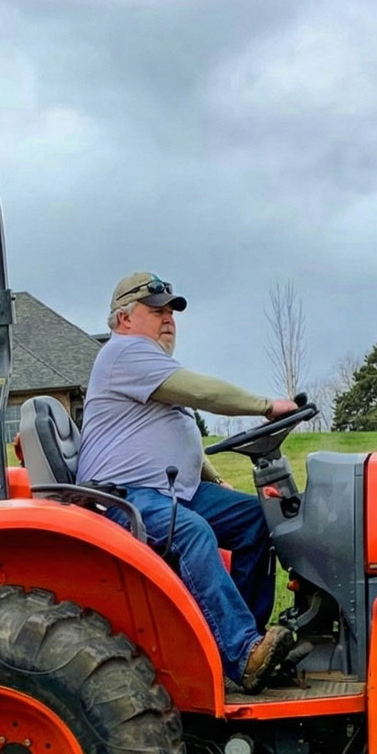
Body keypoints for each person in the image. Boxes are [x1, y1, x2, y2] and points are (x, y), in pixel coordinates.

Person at [77, 272, 299, 690]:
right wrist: (265, 406)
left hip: (173, 492)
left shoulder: (150, 366)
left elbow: (176, 434)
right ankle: (242, 652)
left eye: (171, 312)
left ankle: (252, 645)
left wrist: (215, 479)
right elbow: (201, 393)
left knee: (259, 519)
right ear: (124, 319)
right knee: (191, 531)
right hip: (123, 497)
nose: (168, 319)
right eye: (156, 311)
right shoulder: (124, 353)